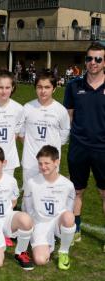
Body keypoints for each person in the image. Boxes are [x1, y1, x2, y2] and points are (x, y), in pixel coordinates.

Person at [63, 42, 105, 248]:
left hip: (103, 149)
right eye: (90, 58)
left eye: (98, 59)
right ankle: (75, 229)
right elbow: (69, 117)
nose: (93, 63)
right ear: (85, 61)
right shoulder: (73, 86)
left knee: (104, 193)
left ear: (104, 62)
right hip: (79, 147)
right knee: (77, 191)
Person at [23, 145, 76, 270]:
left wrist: (62, 224)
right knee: (40, 260)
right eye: (40, 163)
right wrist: (33, 226)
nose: (43, 167)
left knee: (69, 217)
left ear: (56, 162)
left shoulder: (67, 185)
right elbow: (27, 207)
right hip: (40, 222)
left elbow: (69, 208)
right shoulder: (32, 183)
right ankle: (48, 243)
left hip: (58, 220)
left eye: (47, 163)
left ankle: (64, 251)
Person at [20, 70, 70, 187]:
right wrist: (31, 146)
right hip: (30, 161)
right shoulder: (27, 108)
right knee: (29, 195)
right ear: (35, 88)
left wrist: (51, 148)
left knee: (48, 195)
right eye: (39, 87)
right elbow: (21, 133)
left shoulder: (60, 110)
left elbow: (64, 134)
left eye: (47, 87)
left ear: (54, 88)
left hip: (51, 162)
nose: (43, 91)